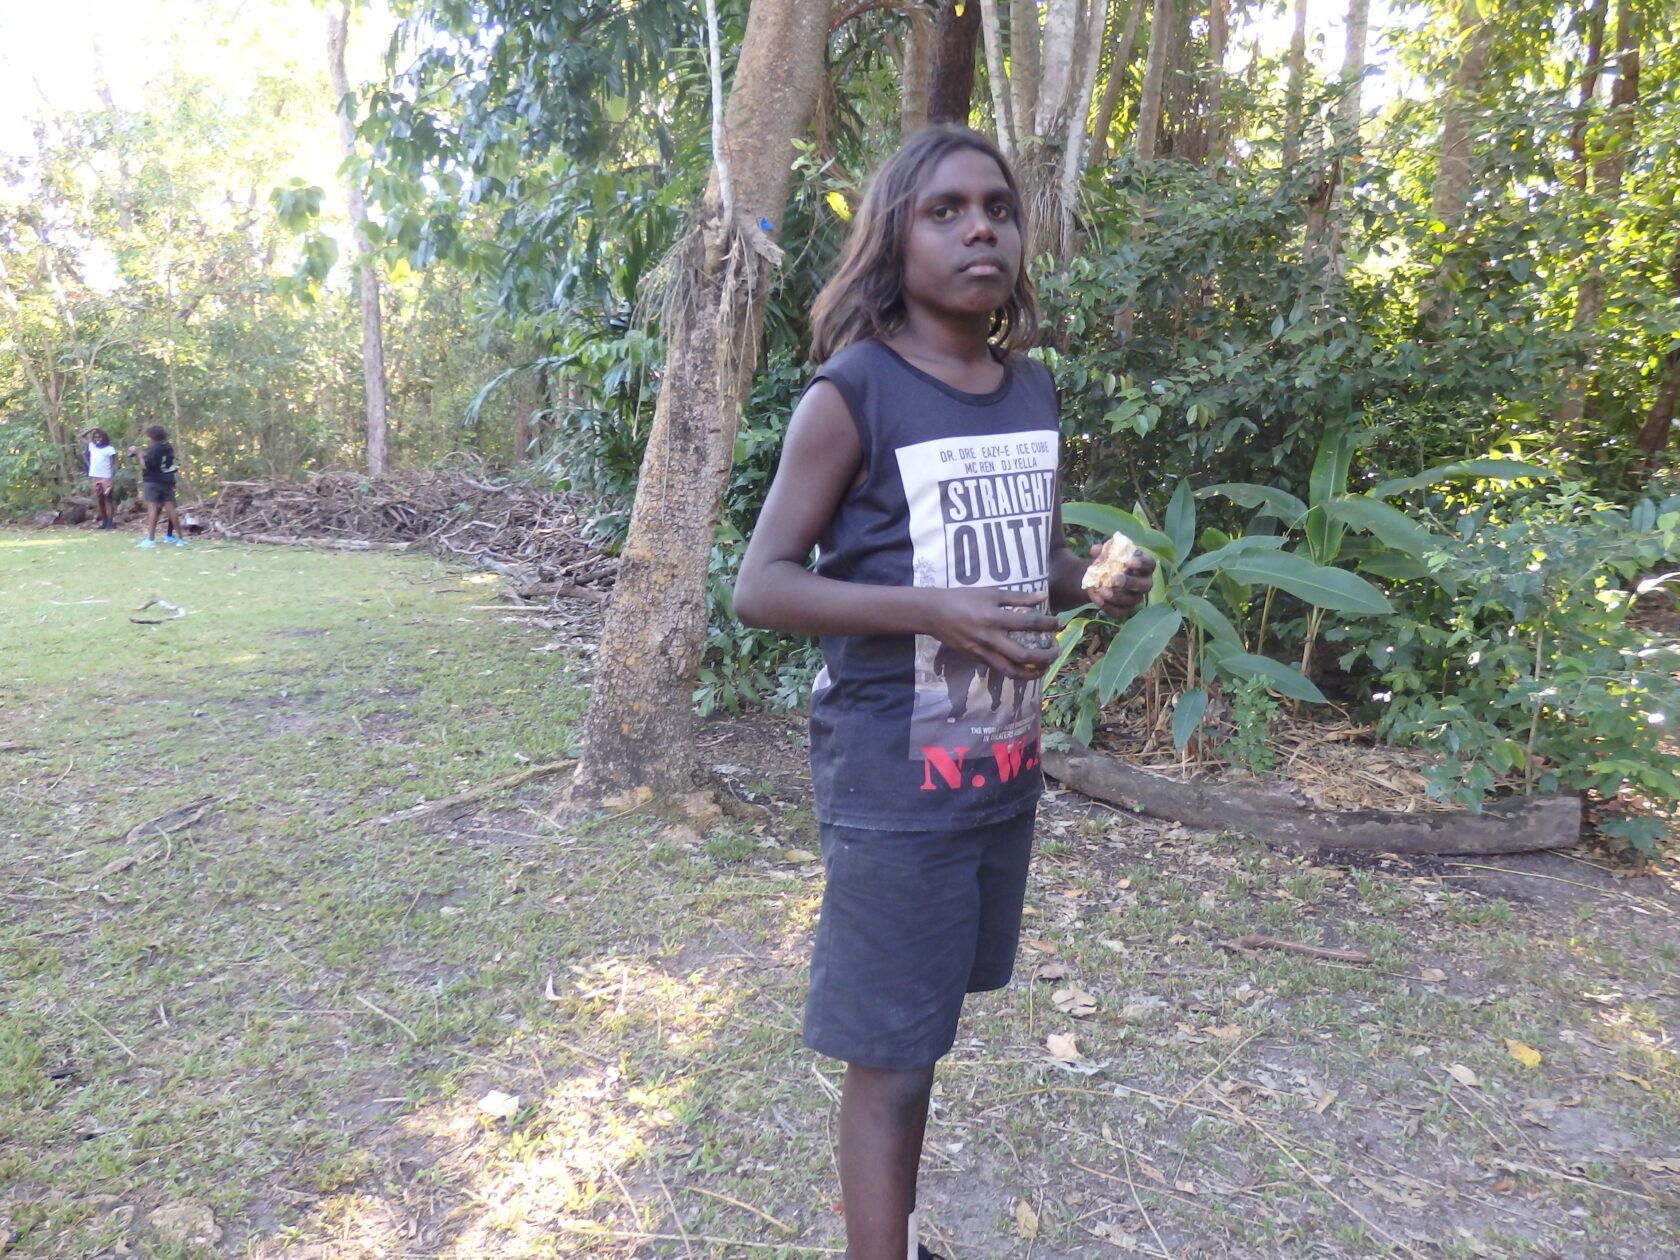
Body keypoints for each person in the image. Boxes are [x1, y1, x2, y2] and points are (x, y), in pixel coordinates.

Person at [733, 125, 1156, 1260]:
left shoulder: (1029, 390)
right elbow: (761, 587)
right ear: (894, 238)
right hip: (891, 783)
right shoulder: (854, 393)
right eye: (946, 210)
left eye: (998, 209)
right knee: (889, 1055)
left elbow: (1025, 564)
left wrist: (1092, 581)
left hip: (997, 771)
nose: (981, 227)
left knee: (927, 1039)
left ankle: (899, 1235)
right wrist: (930, 608)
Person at [129, 425, 186, 548]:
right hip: (166, 480)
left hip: (152, 481)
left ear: (151, 436)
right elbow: (160, 461)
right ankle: (181, 539)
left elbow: (146, 466)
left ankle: (150, 539)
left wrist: (139, 454)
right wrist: (144, 453)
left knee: (153, 509)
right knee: (171, 508)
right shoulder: (167, 447)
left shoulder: (153, 449)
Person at [80, 427, 119, 529]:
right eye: (95, 437)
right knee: (100, 500)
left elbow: (114, 463)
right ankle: (104, 521)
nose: (98, 439)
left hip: (106, 477)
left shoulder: (109, 449)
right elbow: (80, 436)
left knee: (108, 499)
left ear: (104, 438)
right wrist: (93, 428)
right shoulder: (92, 446)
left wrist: (112, 477)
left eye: (100, 437)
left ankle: (110, 522)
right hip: (95, 477)